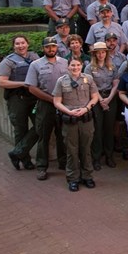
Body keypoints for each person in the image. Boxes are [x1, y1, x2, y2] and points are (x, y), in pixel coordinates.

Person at [53, 57, 100, 192]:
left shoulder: (88, 79)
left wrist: (86, 108)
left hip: (86, 119)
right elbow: (57, 101)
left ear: (82, 66)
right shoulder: (61, 81)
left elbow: (95, 96)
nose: (75, 68)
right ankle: (73, 178)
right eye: (73, 65)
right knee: (72, 151)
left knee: (86, 149)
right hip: (70, 120)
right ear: (68, 67)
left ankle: (87, 176)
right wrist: (69, 112)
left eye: (78, 65)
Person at [25, 37, 68, 180]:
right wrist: (52, 100)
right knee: (44, 136)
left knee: (63, 135)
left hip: (63, 104)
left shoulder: (65, 62)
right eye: (48, 47)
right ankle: (42, 166)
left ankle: (64, 162)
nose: (51, 49)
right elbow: (31, 87)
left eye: (53, 46)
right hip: (45, 104)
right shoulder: (35, 65)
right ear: (43, 48)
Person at [0, 35, 40, 170]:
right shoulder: (8, 61)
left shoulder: (35, 57)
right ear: (14, 46)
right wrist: (23, 83)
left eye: (23, 43)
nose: (20, 46)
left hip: (34, 98)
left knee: (41, 125)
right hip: (17, 99)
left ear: (28, 44)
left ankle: (17, 153)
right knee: (20, 130)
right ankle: (25, 160)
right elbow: (2, 82)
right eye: (17, 44)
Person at [85, 42, 120, 170]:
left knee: (109, 128)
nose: (101, 54)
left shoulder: (112, 66)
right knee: (97, 129)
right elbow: (91, 85)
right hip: (96, 100)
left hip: (110, 98)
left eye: (103, 52)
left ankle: (109, 156)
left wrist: (109, 98)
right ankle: (96, 158)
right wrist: (101, 101)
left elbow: (116, 83)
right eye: (98, 52)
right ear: (94, 54)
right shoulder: (89, 68)